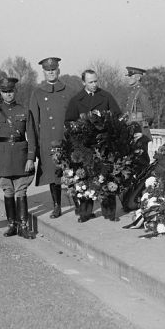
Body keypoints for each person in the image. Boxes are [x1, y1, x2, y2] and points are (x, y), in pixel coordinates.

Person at [65, 69, 121, 221]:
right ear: (83, 82)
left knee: (107, 177)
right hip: (85, 146)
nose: (94, 84)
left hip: (104, 145)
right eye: (90, 82)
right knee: (85, 178)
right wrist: (78, 131)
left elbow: (117, 116)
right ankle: (85, 212)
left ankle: (109, 213)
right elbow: (68, 121)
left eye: (96, 81)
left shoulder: (106, 96)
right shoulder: (76, 100)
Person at [0, 77, 36, 239]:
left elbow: (32, 137)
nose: (8, 95)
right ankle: (11, 225)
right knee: (8, 190)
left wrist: (30, 158)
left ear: (15, 91)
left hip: (21, 157)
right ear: (1, 93)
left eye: (11, 91)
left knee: (21, 190)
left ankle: (23, 225)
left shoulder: (24, 111)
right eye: (5, 92)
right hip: (3, 159)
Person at [29, 57, 75, 219]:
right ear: (43, 72)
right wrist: (34, 147)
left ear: (58, 71)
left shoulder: (68, 91)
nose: (51, 72)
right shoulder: (38, 93)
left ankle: (77, 202)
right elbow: (33, 122)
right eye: (48, 70)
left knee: (72, 173)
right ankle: (57, 205)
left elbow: (75, 117)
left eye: (53, 70)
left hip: (66, 140)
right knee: (53, 175)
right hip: (48, 141)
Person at [122, 66, 154, 212]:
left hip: (140, 135)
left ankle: (142, 199)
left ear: (138, 77)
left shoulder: (142, 92)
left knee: (142, 168)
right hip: (133, 134)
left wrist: (140, 130)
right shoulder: (133, 92)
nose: (129, 78)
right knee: (134, 167)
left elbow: (149, 115)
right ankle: (133, 200)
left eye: (131, 75)